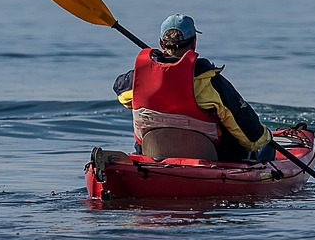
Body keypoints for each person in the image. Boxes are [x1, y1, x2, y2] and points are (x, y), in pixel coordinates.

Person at [112, 14, 274, 163]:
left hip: (154, 156)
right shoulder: (210, 82)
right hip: (214, 161)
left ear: (161, 43)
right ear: (194, 42)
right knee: (266, 143)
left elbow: (121, 94)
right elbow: (252, 138)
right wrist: (265, 139)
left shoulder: (137, 81)